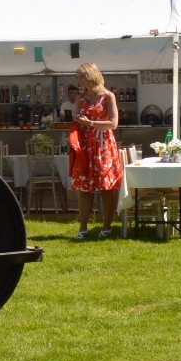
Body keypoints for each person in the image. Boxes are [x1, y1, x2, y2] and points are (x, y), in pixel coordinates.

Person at [68, 62, 123, 239]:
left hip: (103, 145)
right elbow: (75, 118)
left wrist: (90, 123)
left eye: (82, 77)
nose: (80, 81)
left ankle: (106, 226)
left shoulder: (108, 96)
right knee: (84, 189)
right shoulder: (80, 98)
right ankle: (82, 228)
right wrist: (80, 121)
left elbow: (113, 124)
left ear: (91, 76)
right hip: (84, 146)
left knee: (106, 187)